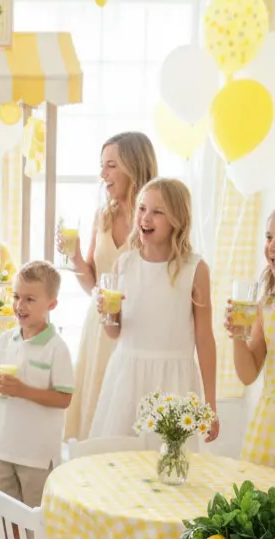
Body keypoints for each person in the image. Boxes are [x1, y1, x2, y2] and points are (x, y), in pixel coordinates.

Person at [90, 179, 219, 441]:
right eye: (141, 209)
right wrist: (108, 315)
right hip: (127, 377)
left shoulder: (194, 270)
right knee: (118, 462)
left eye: (157, 212)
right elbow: (114, 333)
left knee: (170, 461)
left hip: (175, 383)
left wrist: (211, 405)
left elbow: (205, 340)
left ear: (178, 219)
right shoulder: (124, 264)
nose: (145, 218)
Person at [62, 132, 157, 440]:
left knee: (127, 419)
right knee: (96, 416)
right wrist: (74, 258)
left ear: (133, 166)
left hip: (138, 328)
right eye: (102, 166)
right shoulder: (102, 216)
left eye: (111, 166)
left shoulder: (155, 219)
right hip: (100, 327)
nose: (103, 175)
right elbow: (93, 283)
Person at [0, 260, 74, 508]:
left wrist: (23, 390)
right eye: (16, 296)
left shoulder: (56, 348)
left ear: (51, 304)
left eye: (29, 299)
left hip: (37, 455)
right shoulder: (6, 340)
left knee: (36, 521)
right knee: (5, 517)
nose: (19, 305)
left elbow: (64, 398)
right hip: (4, 448)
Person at [228, 209, 275, 466]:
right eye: (269, 237)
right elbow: (248, 374)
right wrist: (237, 335)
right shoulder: (266, 304)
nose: (271, 247)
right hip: (269, 425)